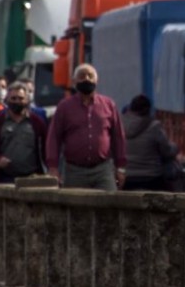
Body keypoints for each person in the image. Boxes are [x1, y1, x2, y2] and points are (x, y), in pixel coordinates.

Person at [46, 63, 127, 191]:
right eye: (82, 76)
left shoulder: (108, 105)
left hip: (102, 170)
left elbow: (118, 137)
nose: (87, 79)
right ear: (74, 81)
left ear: (96, 80)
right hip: (74, 172)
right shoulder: (64, 107)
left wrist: (121, 167)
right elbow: (54, 138)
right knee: (75, 209)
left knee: (109, 206)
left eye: (90, 76)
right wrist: (53, 167)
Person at [0, 82, 48, 184]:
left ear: (27, 100)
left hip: (31, 178)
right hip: (4, 178)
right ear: (7, 100)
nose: (17, 101)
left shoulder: (37, 123)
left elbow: (46, 148)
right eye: (13, 98)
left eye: (21, 98)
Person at [121, 95, 179, 192]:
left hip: (127, 178)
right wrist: (176, 148)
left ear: (131, 108)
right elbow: (167, 152)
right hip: (152, 178)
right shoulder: (154, 127)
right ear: (148, 110)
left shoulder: (120, 124)